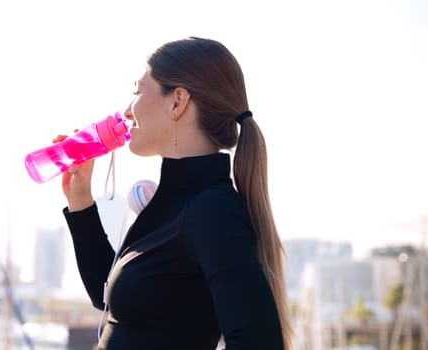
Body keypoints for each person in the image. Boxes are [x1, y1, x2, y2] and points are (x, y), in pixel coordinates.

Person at [59, 37, 293, 350]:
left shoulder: (213, 211)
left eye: (138, 91)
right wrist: (81, 202)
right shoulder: (177, 202)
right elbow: (109, 298)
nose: (128, 111)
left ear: (177, 101)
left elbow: (259, 344)